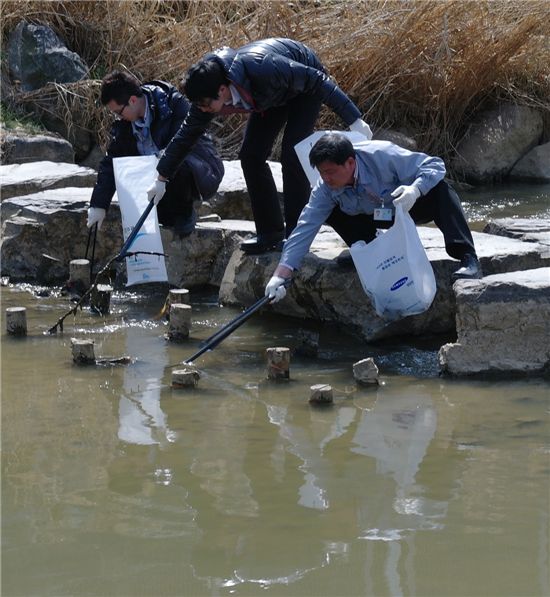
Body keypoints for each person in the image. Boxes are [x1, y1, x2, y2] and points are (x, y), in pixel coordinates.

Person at [146, 37, 373, 254]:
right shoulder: (207, 93)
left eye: (206, 104)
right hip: (270, 96)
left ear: (223, 90)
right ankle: (270, 232)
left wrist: (354, 119)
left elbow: (317, 80)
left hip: (305, 84)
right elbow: (185, 136)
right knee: (250, 156)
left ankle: (296, 235)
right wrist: (161, 179)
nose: (202, 110)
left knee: (293, 155)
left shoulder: (263, 68)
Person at [265, 132, 482, 302]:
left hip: (404, 205)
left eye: (330, 171)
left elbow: (435, 165)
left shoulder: (381, 155)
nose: (326, 178)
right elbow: (305, 227)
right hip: (371, 216)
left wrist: (415, 190)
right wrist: (281, 274)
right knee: (327, 211)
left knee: (440, 190)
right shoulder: (325, 188)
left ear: (350, 163)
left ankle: (468, 258)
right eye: (322, 173)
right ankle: (366, 251)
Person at [87, 70, 224, 237]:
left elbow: (181, 147)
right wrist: (98, 205)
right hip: (156, 178)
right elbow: (111, 162)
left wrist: (159, 168)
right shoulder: (125, 124)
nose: (118, 117)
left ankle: (183, 214)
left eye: (118, 112)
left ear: (132, 100)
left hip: (195, 168)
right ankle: (160, 219)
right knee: (130, 169)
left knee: (174, 162)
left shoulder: (172, 103)